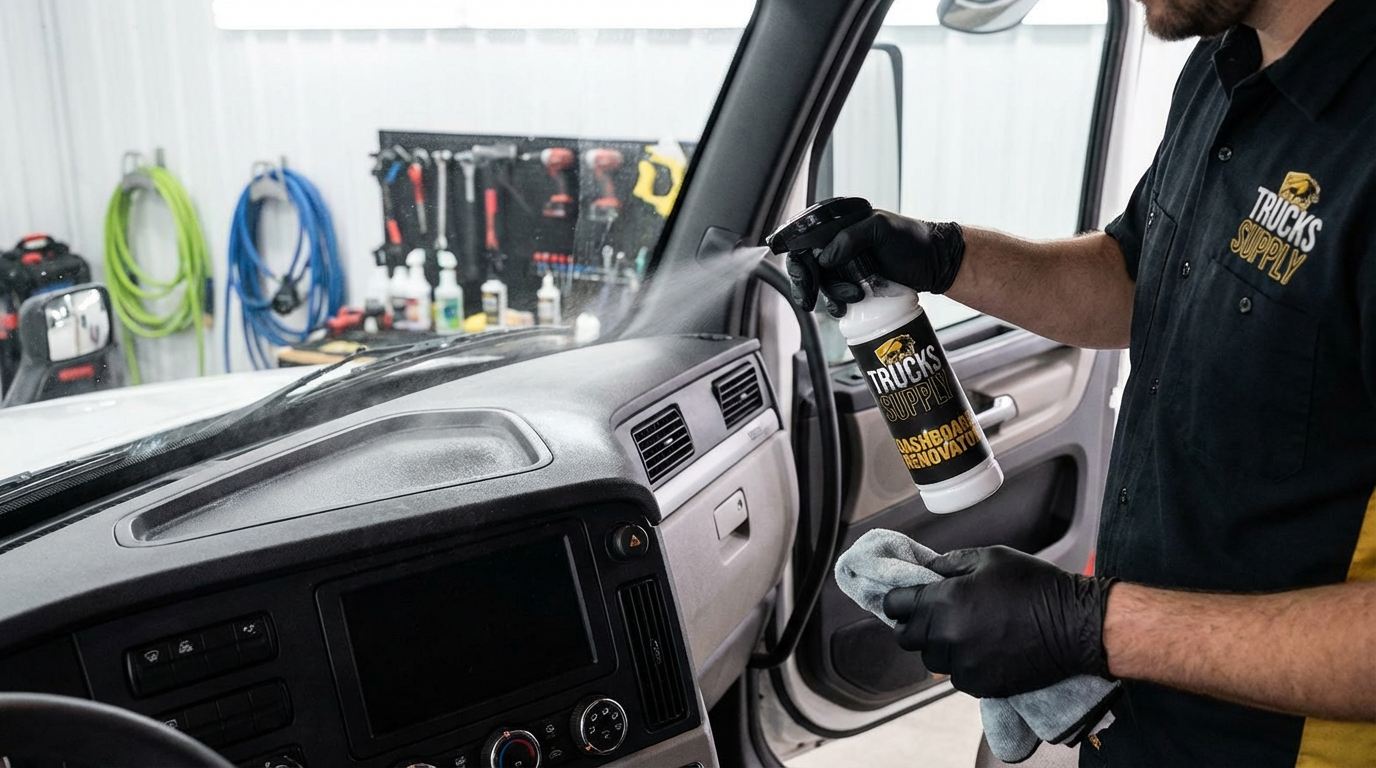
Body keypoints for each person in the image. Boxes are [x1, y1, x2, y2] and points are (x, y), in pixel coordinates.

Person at [787, 0, 1376, 764]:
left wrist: (1091, 626)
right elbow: (1135, 277)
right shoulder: (1224, 64)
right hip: (1141, 709)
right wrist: (943, 256)